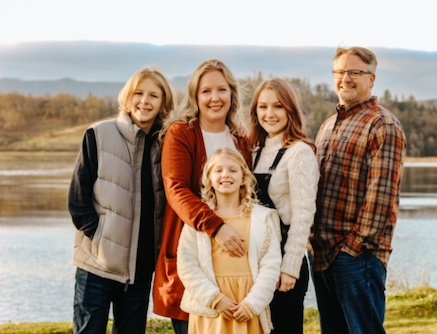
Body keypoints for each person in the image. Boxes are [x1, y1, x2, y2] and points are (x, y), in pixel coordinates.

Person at [67, 66, 176, 334]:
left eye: (153, 95)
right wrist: (100, 237)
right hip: (96, 265)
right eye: (138, 93)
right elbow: (78, 199)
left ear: (163, 102)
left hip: (140, 272)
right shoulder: (99, 134)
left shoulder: (169, 142)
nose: (145, 101)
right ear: (128, 97)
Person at [308, 46, 407, 334]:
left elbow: (381, 199)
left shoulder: (382, 124)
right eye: (339, 72)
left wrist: (352, 248)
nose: (345, 78)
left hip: (356, 257)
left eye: (355, 72)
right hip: (322, 253)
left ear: (372, 79)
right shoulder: (328, 125)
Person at [152, 59, 252, 334]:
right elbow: (177, 189)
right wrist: (216, 227)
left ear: (232, 93)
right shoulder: (181, 133)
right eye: (206, 91)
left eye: (222, 90)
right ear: (195, 96)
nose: (215, 98)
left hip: (235, 261)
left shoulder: (240, 139)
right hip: (193, 254)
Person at [177, 148, 282, 334]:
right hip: (213, 308)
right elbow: (187, 265)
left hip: (247, 307)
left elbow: (271, 265)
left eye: (233, 170)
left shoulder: (262, 218)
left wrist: (253, 303)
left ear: (243, 178)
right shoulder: (199, 221)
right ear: (209, 178)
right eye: (218, 170)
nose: (225, 175)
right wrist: (214, 299)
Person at [248, 77, 319, 333]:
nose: (269, 114)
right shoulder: (253, 151)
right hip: (256, 261)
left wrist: (290, 267)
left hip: (283, 262)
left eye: (277, 106)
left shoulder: (300, 152)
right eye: (263, 107)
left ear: (290, 110)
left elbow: (303, 215)